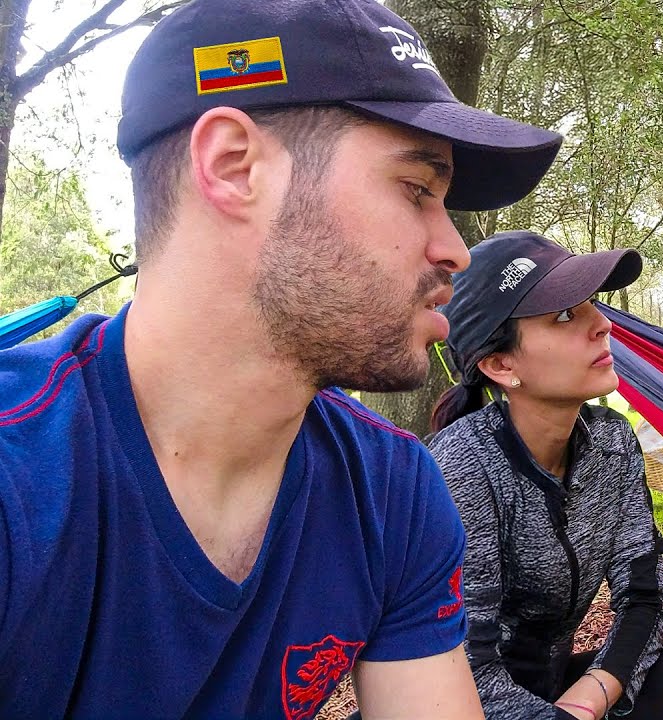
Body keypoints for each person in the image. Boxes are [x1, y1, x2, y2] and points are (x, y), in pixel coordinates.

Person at [0, 1, 565, 717]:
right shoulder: (22, 482)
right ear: (234, 167)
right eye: (418, 190)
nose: (455, 249)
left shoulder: (389, 491)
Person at [429, 231, 663, 720]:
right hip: (459, 704)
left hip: (557, 688)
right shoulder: (461, 466)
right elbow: (462, 666)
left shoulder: (610, 441)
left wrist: (590, 697)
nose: (602, 324)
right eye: (564, 315)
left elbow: (644, 596)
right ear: (501, 364)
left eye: (591, 304)